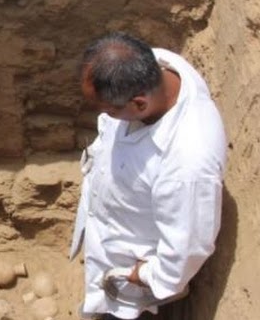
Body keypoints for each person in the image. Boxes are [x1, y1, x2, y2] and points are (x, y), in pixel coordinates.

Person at [69, 32, 227, 320]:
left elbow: (188, 247)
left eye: (108, 111)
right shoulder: (156, 66)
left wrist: (144, 274)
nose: (103, 116)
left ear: (139, 105)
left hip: (131, 274)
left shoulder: (187, 163)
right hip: (110, 238)